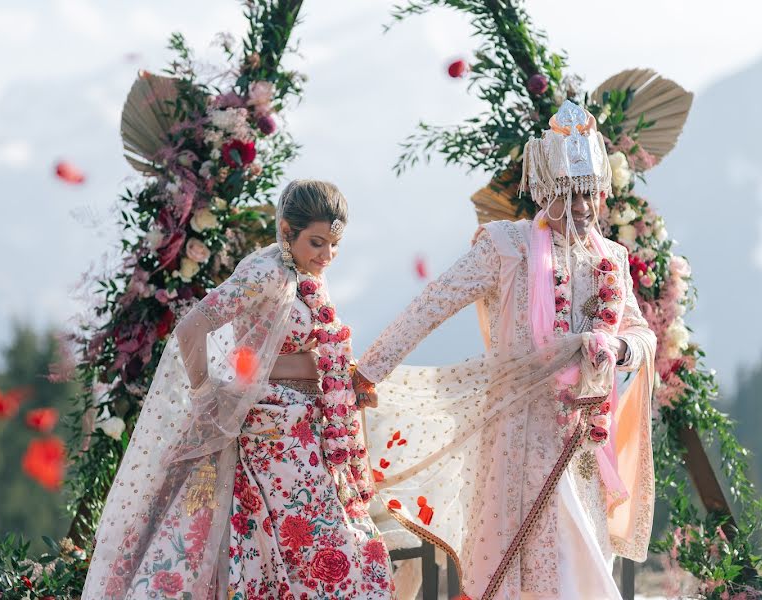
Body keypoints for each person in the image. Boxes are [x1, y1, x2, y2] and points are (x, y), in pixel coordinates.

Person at [353, 100, 657, 599]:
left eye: (590, 194)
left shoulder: (613, 259)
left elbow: (641, 332)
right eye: (569, 194)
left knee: (583, 560)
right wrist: (370, 369)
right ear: (544, 189)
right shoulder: (506, 246)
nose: (582, 207)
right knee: (536, 560)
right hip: (521, 433)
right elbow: (433, 303)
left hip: (586, 441)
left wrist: (617, 345)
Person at [84, 180, 395, 599]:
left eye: (334, 246)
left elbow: (310, 347)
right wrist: (205, 396)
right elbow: (192, 329)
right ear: (287, 230)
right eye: (317, 243)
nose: (327, 256)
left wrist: (345, 377)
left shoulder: (303, 275)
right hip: (270, 431)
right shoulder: (267, 273)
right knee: (314, 545)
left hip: (303, 426)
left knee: (328, 544)